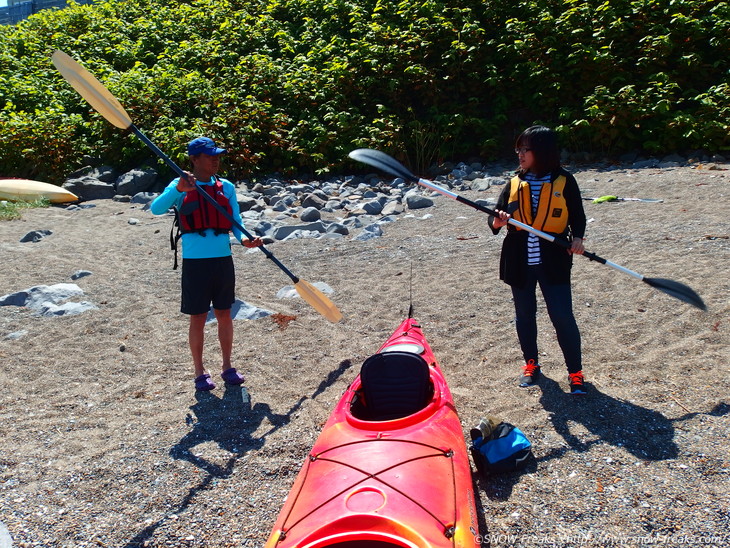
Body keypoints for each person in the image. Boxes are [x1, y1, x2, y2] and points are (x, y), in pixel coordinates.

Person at [150, 137, 262, 391]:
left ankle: (227, 366)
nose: (216, 159)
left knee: (224, 314)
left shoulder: (226, 186)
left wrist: (247, 240)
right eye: (210, 155)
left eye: (218, 155)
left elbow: (235, 221)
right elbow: (155, 209)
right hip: (195, 263)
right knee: (198, 317)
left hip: (222, 259)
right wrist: (178, 190)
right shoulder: (180, 186)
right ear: (194, 159)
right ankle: (199, 372)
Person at [488, 126, 587, 394]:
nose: (519, 154)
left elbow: (577, 215)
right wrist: (496, 221)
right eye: (518, 149)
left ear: (541, 151)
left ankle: (575, 373)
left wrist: (577, 238)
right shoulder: (513, 182)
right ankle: (531, 365)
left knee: (562, 316)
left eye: (525, 149)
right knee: (524, 315)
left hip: (553, 258)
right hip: (519, 258)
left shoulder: (564, 180)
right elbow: (494, 219)